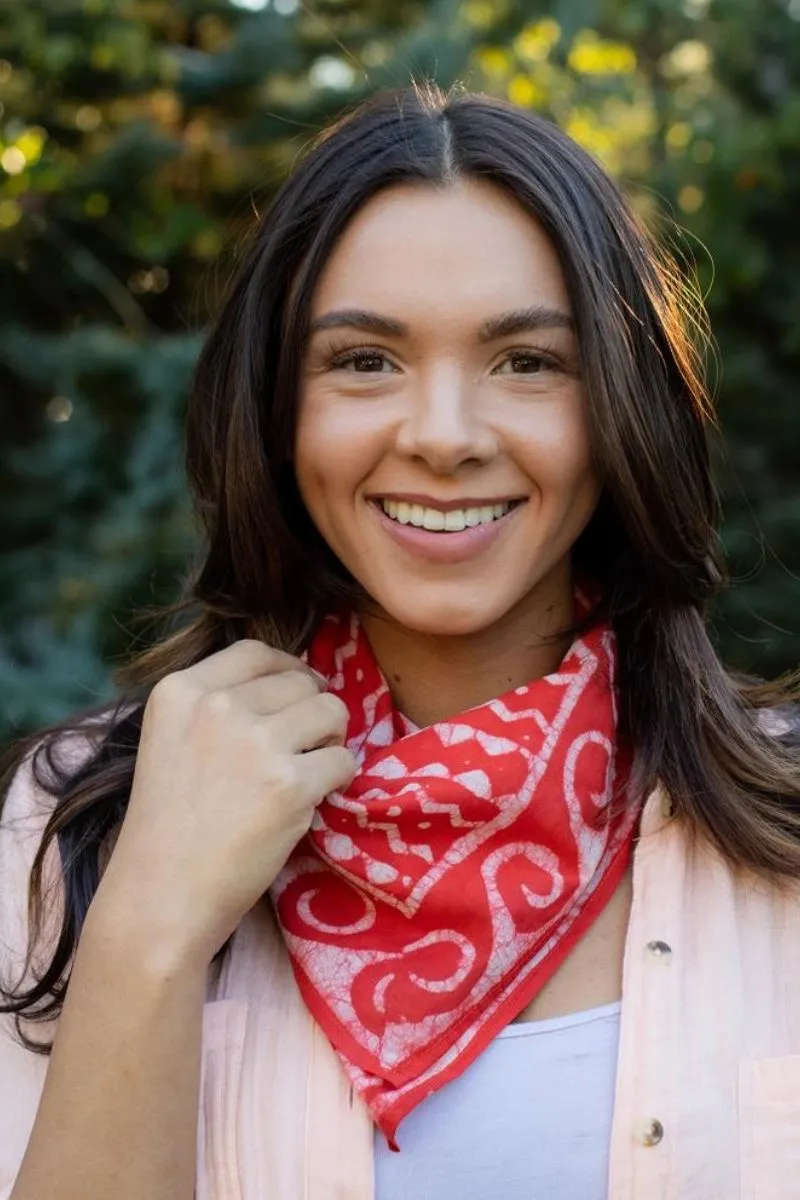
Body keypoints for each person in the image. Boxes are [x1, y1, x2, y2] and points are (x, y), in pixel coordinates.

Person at [1, 81, 798, 1200]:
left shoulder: (780, 821)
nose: (441, 436)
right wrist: (148, 927)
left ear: (621, 406)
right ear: (275, 409)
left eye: (526, 361)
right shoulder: (81, 818)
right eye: (362, 361)